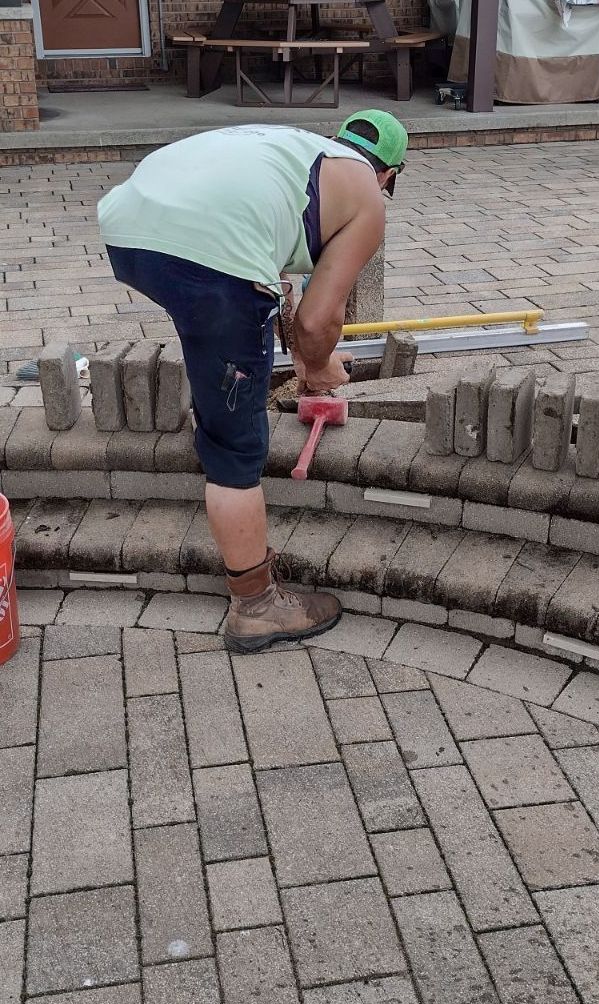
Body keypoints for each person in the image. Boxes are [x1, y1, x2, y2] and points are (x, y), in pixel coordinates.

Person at [97, 111, 408, 654]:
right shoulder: (367, 197)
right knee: (235, 443)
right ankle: (256, 607)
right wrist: (318, 367)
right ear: (389, 174)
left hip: (128, 229)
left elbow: (277, 274)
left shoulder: (299, 152)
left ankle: (216, 369)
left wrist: (287, 340)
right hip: (211, 251)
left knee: (220, 322)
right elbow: (317, 320)